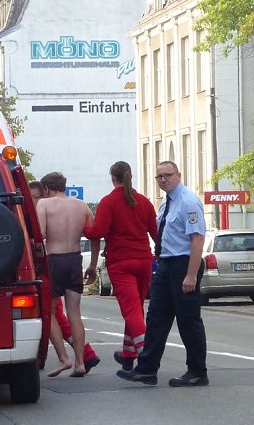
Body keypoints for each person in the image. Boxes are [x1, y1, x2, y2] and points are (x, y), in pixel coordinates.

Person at [117, 160, 208, 387]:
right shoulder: (165, 203)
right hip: (166, 263)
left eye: (168, 175)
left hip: (183, 264)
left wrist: (191, 275)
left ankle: (197, 371)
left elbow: (197, 238)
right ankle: (147, 369)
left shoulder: (188, 201)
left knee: (188, 321)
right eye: (159, 176)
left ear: (178, 175)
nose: (163, 180)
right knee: (156, 317)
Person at [83, 161, 158, 372]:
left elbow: (97, 231)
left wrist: (84, 227)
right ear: (130, 177)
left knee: (131, 310)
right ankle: (128, 353)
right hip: (144, 260)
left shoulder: (109, 202)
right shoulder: (144, 202)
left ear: (112, 178)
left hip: (121, 262)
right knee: (135, 308)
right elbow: (155, 233)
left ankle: (145, 356)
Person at [29, 181, 100, 372]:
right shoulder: (81, 205)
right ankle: (80, 363)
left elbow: (40, 234)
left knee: (49, 311)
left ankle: (63, 358)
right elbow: (95, 235)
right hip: (75, 259)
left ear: (46, 189)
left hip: (54, 260)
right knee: (74, 313)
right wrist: (93, 265)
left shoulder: (44, 204)